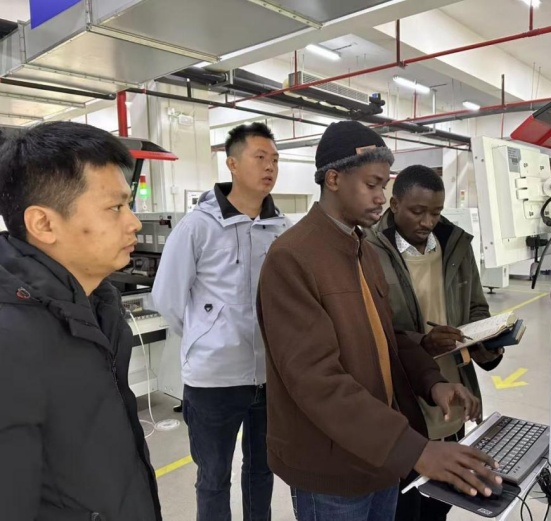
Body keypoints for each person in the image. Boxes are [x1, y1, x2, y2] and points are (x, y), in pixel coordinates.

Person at [256, 121, 501, 521]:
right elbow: (316, 380)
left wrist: (433, 382)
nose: (381, 197)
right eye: (372, 184)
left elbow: (389, 339)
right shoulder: (292, 258)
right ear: (333, 179)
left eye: (384, 185)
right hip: (333, 470)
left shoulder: (363, 251)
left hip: (381, 456)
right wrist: (416, 449)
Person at [0, 121, 161, 520]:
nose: (134, 223)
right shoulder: (11, 340)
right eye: (115, 208)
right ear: (44, 224)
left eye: (129, 205)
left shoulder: (98, 304)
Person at [152, 122, 290, 521]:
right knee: (213, 478)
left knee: (262, 471)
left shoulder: (281, 228)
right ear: (232, 163)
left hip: (268, 377)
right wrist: (207, 335)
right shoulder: (198, 226)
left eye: (275, 159)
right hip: (213, 380)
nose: (270, 167)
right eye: (260, 157)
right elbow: (167, 297)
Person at [365, 164, 504, 521]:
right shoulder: (369, 249)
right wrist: (422, 343)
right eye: (417, 211)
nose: (427, 221)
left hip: (453, 394)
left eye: (436, 212)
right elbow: (371, 329)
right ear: (394, 204)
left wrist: (487, 340)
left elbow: (476, 307)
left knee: (438, 505)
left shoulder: (457, 246)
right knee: (403, 504)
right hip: (403, 398)